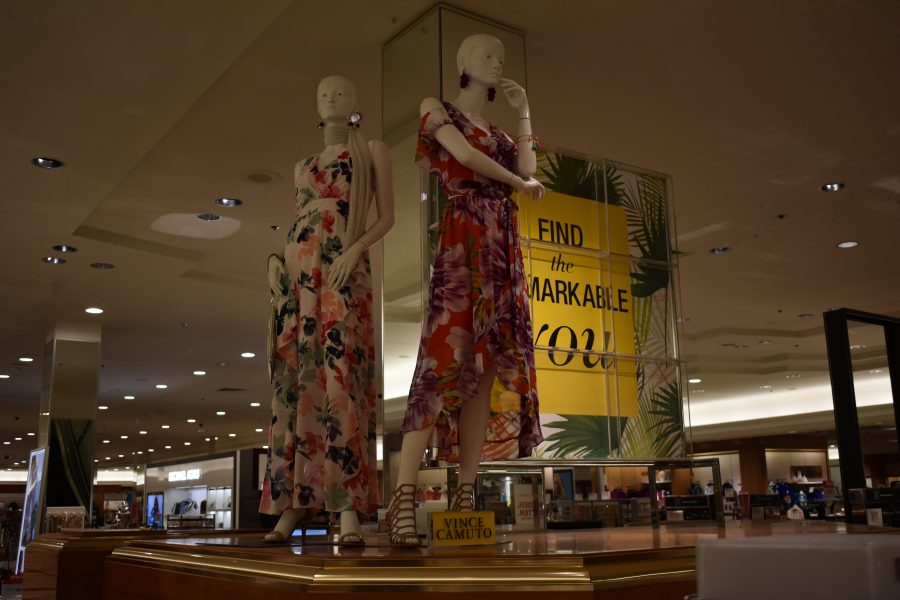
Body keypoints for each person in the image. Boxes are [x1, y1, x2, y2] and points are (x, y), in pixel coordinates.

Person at [387, 34, 545, 547]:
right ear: (461, 62)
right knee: (440, 367)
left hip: (502, 248)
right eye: (485, 55)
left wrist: (524, 114)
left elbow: (528, 168)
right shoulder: (437, 109)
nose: (496, 63)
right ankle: (403, 498)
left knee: (482, 375)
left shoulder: (498, 131)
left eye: (501, 57)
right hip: (464, 241)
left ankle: (467, 495)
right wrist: (518, 186)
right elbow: (464, 156)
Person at [260, 75, 394, 546]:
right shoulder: (302, 164)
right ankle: (295, 502)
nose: (330, 97)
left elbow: (387, 216)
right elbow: (298, 220)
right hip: (298, 278)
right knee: (300, 384)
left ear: (354, 101)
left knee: (341, 378)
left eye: (340, 92)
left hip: (341, 270)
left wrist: (356, 248)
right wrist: (275, 261)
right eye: (323, 93)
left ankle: (347, 504)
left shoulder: (370, 150)